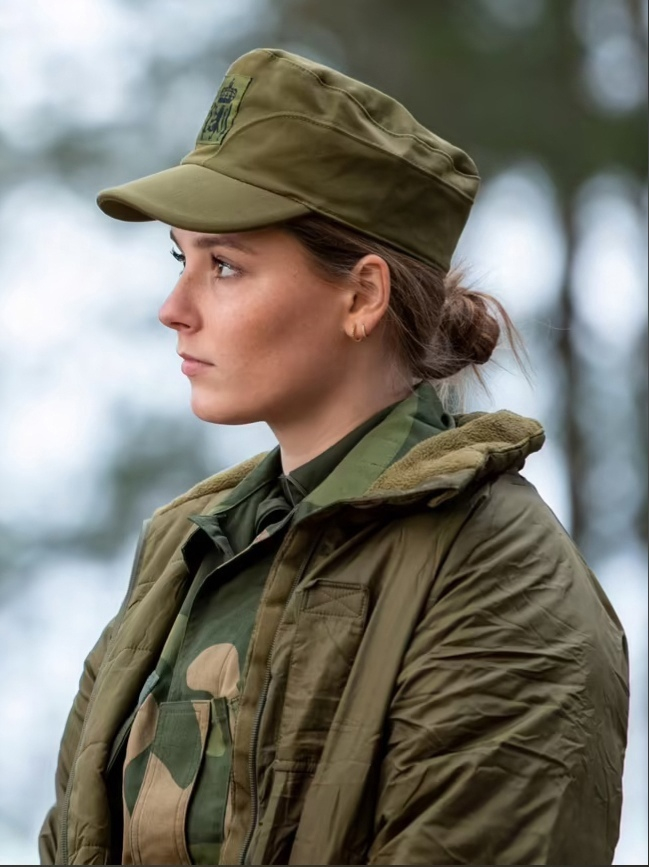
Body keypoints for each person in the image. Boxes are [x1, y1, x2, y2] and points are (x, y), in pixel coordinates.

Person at [39, 48, 629, 866]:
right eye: (182, 259)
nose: (173, 309)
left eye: (225, 266)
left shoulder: (500, 579)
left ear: (361, 295)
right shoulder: (183, 551)